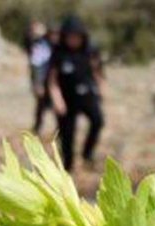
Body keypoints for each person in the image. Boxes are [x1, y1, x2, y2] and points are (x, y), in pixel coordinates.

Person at [49, 16, 105, 171]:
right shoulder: (58, 53)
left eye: (77, 37)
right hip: (66, 99)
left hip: (87, 95)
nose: (74, 40)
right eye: (70, 36)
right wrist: (57, 100)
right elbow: (52, 81)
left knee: (98, 121)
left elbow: (98, 72)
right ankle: (68, 166)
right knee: (67, 134)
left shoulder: (90, 51)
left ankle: (87, 153)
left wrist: (101, 90)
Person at [25, 21, 56, 134]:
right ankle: (37, 128)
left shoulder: (58, 46)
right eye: (53, 34)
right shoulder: (41, 46)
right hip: (44, 82)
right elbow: (37, 65)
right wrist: (38, 84)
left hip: (55, 84)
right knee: (41, 106)